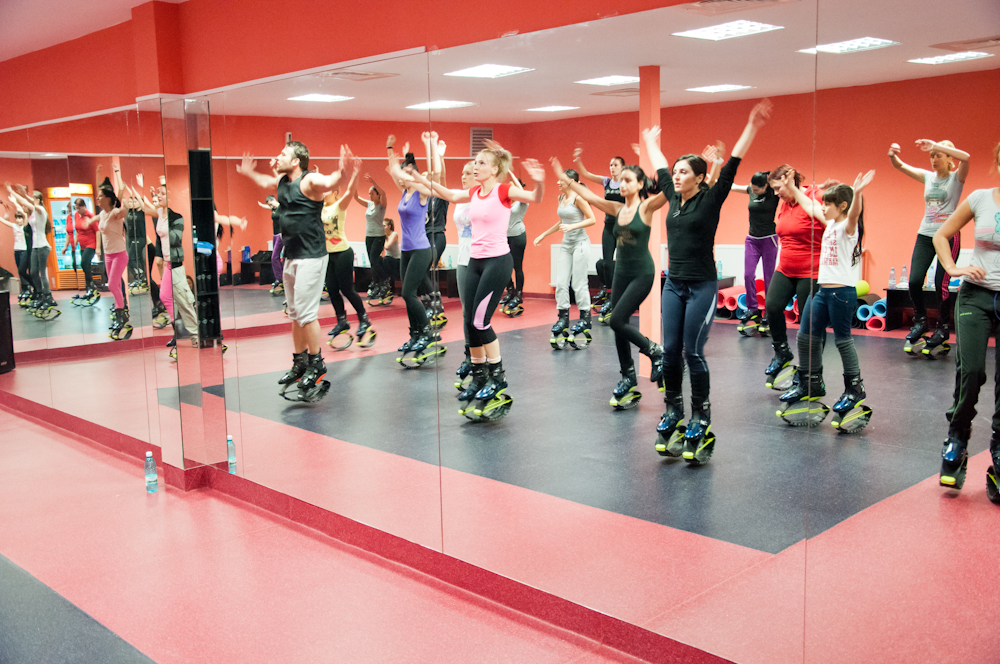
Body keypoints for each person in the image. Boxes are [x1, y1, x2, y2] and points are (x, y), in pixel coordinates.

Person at [643, 100, 771, 463]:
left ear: (699, 177)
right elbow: (659, 166)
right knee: (669, 352)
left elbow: (733, 163)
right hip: (673, 285)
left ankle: (701, 415)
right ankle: (673, 409)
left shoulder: (711, 199)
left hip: (701, 286)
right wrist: (650, 142)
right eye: (676, 171)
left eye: (684, 172)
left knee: (693, 351)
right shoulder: (672, 198)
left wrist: (751, 125)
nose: (676, 176)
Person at [406, 141, 545, 420]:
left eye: (481, 163)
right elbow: (447, 193)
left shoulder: (503, 190)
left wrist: (539, 182)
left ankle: (498, 376)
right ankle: (479, 377)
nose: (476, 166)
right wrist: (419, 177)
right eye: (476, 162)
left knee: (482, 322)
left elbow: (535, 197)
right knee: (470, 321)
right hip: (475, 262)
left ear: (494, 169)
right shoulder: (473, 193)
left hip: (497, 262)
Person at [237, 141, 351, 399]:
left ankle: (316, 362)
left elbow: (330, 181)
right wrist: (249, 173)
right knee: (295, 313)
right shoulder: (283, 182)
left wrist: (343, 170)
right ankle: (299, 362)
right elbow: (265, 180)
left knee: (307, 314)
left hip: (311, 256)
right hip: (291, 255)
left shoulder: (309, 181)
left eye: (283, 154)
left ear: (296, 161)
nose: (277, 157)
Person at [556, 157, 665, 406]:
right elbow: (590, 196)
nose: (622, 184)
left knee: (616, 320)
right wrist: (565, 179)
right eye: (621, 180)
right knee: (619, 325)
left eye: (628, 180)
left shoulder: (646, 208)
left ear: (640, 184)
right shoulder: (617, 209)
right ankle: (628, 376)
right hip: (621, 273)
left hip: (642, 273)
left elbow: (669, 192)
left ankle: (654, 351)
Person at [777, 171, 875, 432]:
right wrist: (792, 188)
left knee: (843, 341)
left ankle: (854, 387)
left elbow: (854, 213)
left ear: (842, 206)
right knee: (805, 335)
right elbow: (809, 204)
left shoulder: (848, 228)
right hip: (821, 291)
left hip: (842, 293)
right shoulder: (830, 224)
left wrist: (858, 192)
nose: (822, 207)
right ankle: (810, 381)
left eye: (828, 204)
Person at [931, 141, 1000, 498]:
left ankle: (999, 447)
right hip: (976, 294)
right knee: (971, 371)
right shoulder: (980, 199)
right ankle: (957, 436)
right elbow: (941, 235)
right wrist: (952, 267)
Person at [889, 139, 970, 355]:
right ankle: (921, 321)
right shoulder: (928, 177)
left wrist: (936, 144)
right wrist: (893, 155)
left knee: (941, 284)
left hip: (948, 236)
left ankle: (942, 328)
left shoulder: (956, 178)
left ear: (949, 157)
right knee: (914, 281)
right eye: (932, 155)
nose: (933, 159)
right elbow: (900, 165)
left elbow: (966, 157)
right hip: (925, 235)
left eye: (938, 155)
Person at [762, 166, 831, 389]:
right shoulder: (784, 203)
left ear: (790, 181)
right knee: (772, 306)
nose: (776, 193)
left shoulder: (815, 196)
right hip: (785, 268)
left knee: (809, 324)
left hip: (812, 271)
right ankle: (781, 352)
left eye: (778, 188)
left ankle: (810, 371)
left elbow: (829, 224)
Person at [385, 134, 436, 359]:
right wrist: (390, 149)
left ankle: (427, 333)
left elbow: (427, 177)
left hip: (421, 249)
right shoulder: (404, 192)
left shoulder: (421, 193)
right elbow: (394, 172)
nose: (402, 177)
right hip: (406, 250)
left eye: (407, 173)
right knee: (407, 295)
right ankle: (415, 334)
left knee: (408, 293)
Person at [534, 168, 596, 347]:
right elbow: (562, 222)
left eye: (561, 180)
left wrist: (573, 226)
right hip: (567, 245)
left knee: (578, 283)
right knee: (561, 283)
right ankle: (563, 318)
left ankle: (585, 318)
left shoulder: (578, 198)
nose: (558, 182)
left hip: (580, 244)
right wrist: (544, 234)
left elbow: (592, 219)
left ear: (570, 182)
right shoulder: (561, 198)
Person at [322, 159, 374, 349]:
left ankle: (364, 319)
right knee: (331, 289)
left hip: (343, 253)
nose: (323, 193)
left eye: (327, 191)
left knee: (347, 289)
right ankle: (342, 321)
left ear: (335, 193)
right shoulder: (320, 208)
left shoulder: (339, 206)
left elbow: (351, 191)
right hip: (329, 255)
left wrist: (355, 173)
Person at [574, 147, 625, 316]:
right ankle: (609, 294)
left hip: (624, 228)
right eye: (611, 165)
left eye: (615, 165)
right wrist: (578, 160)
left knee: (622, 264)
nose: (612, 168)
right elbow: (586, 174)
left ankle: (621, 296)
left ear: (622, 168)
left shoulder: (626, 183)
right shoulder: (606, 181)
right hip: (609, 226)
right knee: (606, 263)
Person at [729, 170, 780, 332]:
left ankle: (769, 312)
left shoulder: (774, 193)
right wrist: (715, 179)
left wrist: (822, 186)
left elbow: (798, 190)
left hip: (769, 239)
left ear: (766, 186)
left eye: (757, 189)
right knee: (748, 274)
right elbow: (732, 186)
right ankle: (753, 309)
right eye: (752, 188)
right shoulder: (751, 190)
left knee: (769, 277)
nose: (754, 191)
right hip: (752, 239)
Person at [8, 184, 58, 318]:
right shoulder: (33, 214)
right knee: (33, 272)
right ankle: (40, 295)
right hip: (35, 247)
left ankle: (48, 297)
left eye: (34, 198)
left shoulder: (41, 210)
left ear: (38, 200)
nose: (32, 200)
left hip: (43, 246)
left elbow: (26, 202)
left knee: (42, 273)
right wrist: (22, 195)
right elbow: (25, 203)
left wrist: (12, 191)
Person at [96, 168, 132, 339]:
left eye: (100, 196)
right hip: (108, 254)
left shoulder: (115, 213)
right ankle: (120, 314)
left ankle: (122, 312)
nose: (98, 199)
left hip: (119, 254)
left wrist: (124, 201)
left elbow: (123, 209)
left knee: (112, 284)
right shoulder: (102, 214)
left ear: (108, 198)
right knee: (115, 285)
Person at [452, 161, 476, 386]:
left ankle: (482, 359)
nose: (463, 176)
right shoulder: (460, 198)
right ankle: (469, 356)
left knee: (478, 315)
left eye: (468, 173)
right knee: (466, 312)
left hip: (480, 260)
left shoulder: (483, 198)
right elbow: (439, 184)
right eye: (462, 172)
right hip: (462, 259)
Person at [355, 175, 388, 302]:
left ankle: (384, 281)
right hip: (369, 236)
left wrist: (373, 181)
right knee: (372, 261)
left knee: (374, 258)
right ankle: (376, 283)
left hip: (379, 236)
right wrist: (354, 182)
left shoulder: (382, 205)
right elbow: (356, 197)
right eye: (369, 194)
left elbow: (384, 193)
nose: (370, 196)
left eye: (372, 194)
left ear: (378, 195)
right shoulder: (369, 204)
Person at [500, 176, 529, 316]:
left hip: (518, 236)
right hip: (504, 237)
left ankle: (519, 294)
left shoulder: (523, 202)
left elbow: (521, 192)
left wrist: (512, 176)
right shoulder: (506, 202)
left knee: (517, 267)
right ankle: (510, 290)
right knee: (504, 266)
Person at [63, 198, 99, 302]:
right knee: (84, 266)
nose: (78, 210)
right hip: (82, 245)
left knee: (84, 262)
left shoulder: (90, 216)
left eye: (79, 208)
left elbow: (97, 231)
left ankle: (91, 286)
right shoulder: (76, 216)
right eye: (76, 208)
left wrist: (98, 248)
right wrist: (74, 242)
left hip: (91, 244)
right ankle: (89, 288)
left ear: (84, 207)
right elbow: (77, 230)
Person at [1, 200, 32, 304]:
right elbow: (3, 221)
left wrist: (15, 203)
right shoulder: (14, 226)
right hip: (17, 251)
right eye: (17, 218)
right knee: (19, 271)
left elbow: (26, 216)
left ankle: (28, 288)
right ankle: (23, 289)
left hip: (24, 251)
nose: (18, 220)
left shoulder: (25, 226)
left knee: (23, 270)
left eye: (20, 218)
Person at [258, 195, 284, 295]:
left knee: (274, 257)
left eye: (271, 204)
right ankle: (281, 277)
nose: (270, 206)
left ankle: (279, 278)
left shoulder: (281, 207)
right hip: (275, 235)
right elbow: (268, 207)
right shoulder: (273, 208)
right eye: (269, 205)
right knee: (276, 257)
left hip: (281, 234)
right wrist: (262, 205)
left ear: (274, 200)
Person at [382, 217, 400, 291]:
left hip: (396, 259)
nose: (382, 228)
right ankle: (386, 287)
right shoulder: (384, 236)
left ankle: (390, 287)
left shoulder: (394, 234)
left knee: (386, 259)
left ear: (389, 226)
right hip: (389, 259)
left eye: (384, 226)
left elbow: (387, 246)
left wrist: (385, 237)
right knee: (381, 261)